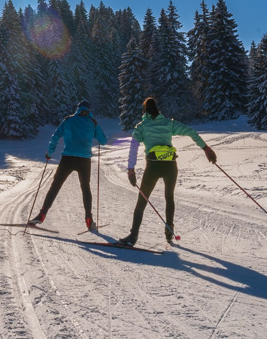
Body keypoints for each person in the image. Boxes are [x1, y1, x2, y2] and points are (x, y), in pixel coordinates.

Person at [117, 97, 216, 247]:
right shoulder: (168, 123)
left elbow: (133, 148)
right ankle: (169, 233)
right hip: (170, 166)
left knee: (142, 201)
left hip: (153, 167)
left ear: (144, 111)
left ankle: (133, 236)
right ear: (157, 109)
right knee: (169, 198)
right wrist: (206, 149)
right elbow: (190, 131)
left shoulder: (141, 127)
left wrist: (131, 170)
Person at [33, 99, 110, 230]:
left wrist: (50, 153)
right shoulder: (92, 122)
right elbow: (103, 141)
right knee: (85, 188)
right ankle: (89, 219)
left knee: (55, 186)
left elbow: (55, 136)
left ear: (77, 109)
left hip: (67, 158)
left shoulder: (68, 120)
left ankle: (41, 215)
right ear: (89, 110)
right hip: (84, 160)